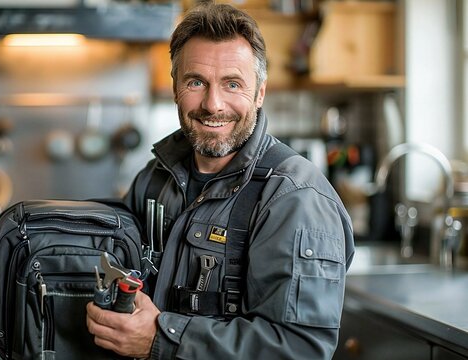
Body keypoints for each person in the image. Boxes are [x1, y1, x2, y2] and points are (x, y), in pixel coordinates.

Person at [86, 3, 355, 359]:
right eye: (196, 82)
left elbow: (298, 349)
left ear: (259, 93)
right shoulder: (155, 178)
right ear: (176, 89)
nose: (213, 104)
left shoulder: (295, 199)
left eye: (232, 84)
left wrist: (160, 341)